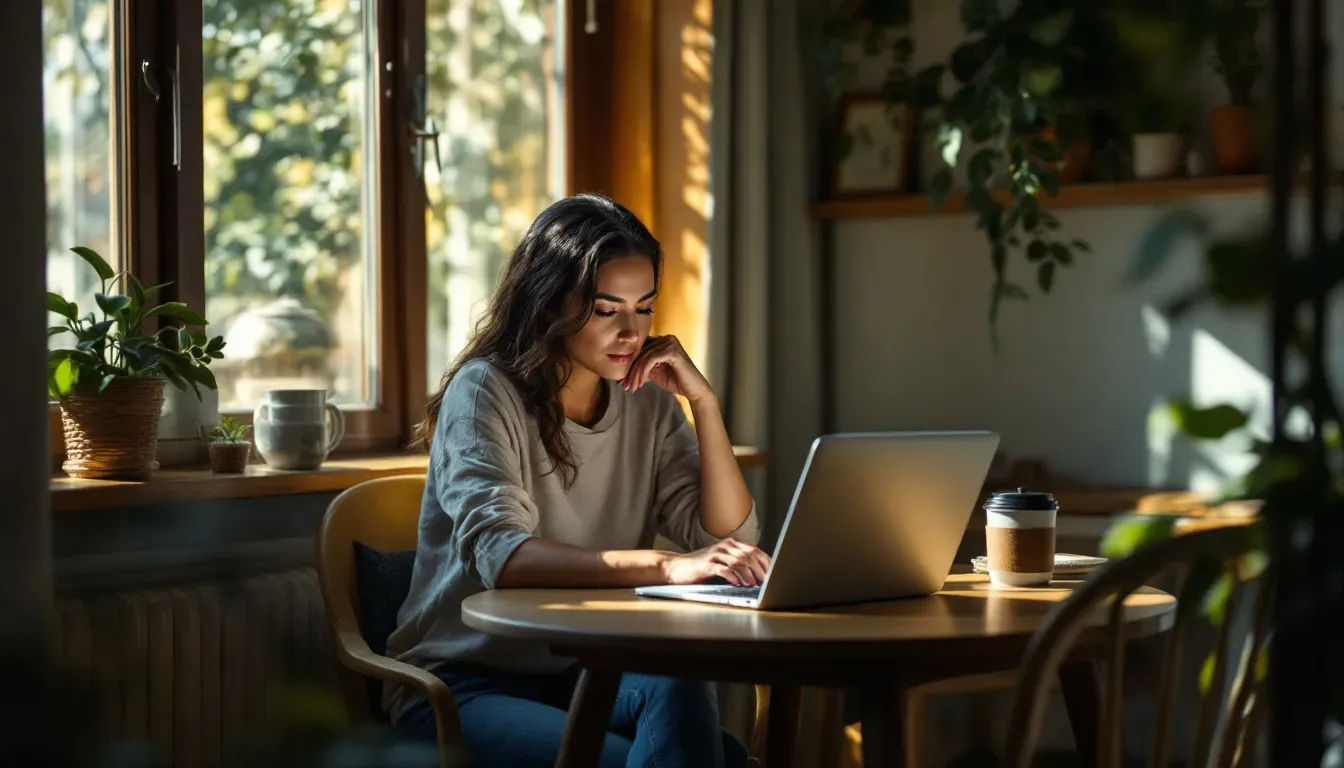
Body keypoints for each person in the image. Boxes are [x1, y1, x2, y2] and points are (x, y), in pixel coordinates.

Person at [388, 194, 771, 768]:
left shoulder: (648, 403)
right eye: (605, 309)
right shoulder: (484, 392)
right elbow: (503, 557)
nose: (631, 332)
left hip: (587, 671)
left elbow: (723, 532)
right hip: (464, 685)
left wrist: (704, 403)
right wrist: (666, 567)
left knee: (683, 688)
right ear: (548, 305)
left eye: (644, 308)